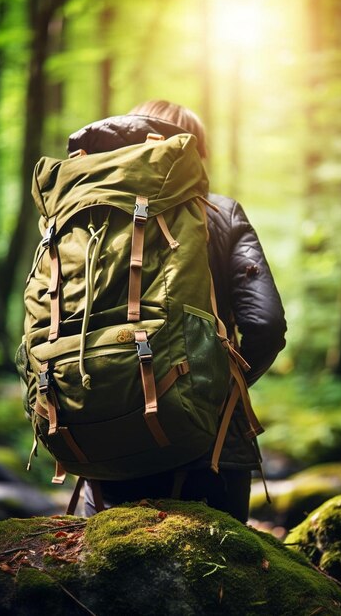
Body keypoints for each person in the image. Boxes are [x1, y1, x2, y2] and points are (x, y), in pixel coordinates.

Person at [68, 100, 287, 523]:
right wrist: (218, 387)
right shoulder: (220, 212)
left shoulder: (84, 216)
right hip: (211, 450)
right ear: (194, 153)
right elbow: (266, 324)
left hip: (101, 442)